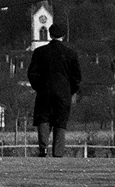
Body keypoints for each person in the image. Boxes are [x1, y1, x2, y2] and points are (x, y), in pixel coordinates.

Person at [27, 23, 82, 158]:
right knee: (60, 122)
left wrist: (38, 87)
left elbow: (32, 73)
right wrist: (70, 90)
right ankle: (58, 153)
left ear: (50, 34)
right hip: (63, 92)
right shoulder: (71, 54)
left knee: (43, 119)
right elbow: (77, 78)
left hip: (44, 91)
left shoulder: (39, 52)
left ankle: (43, 149)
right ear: (63, 35)